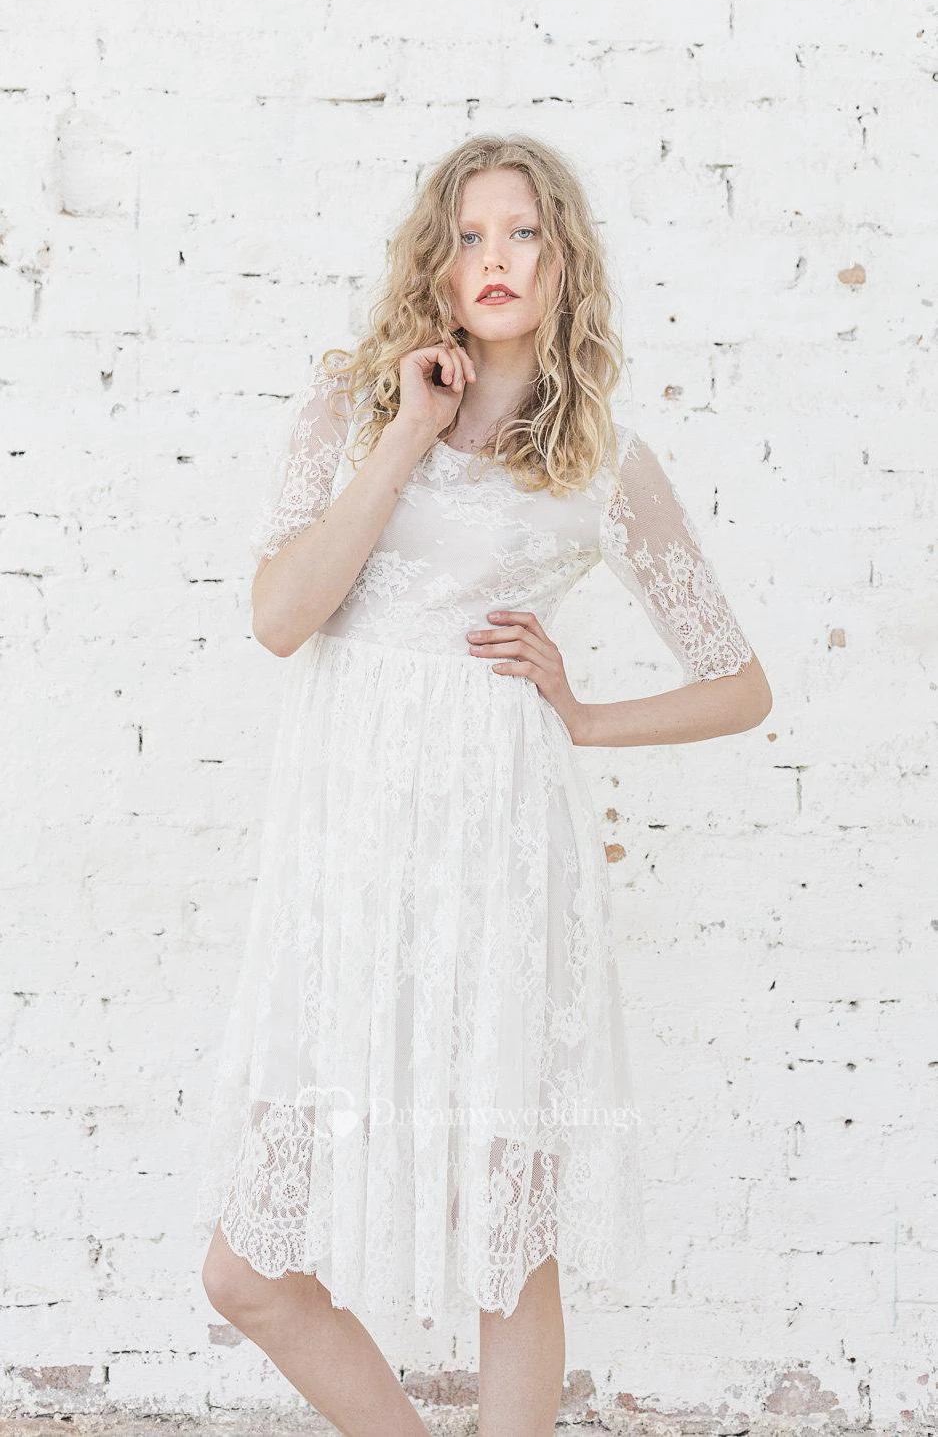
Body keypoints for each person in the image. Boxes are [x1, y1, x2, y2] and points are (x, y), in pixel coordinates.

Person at [195, 133, 772, 1437]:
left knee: (507, 1244)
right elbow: (282, 618)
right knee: (246, 1273)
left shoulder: (603, 464)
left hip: (503, 867)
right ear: (436, 264)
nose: (494, 258)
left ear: (562, 262)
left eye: (522, 233)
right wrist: (408, 430)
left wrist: (583, 716)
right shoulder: (350, 409)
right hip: (348, 876)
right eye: (468, 236)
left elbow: (740, 686)